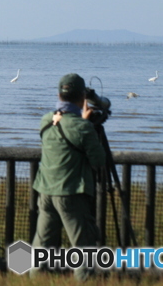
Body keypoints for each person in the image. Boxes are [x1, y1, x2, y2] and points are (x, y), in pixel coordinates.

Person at [31, 73, 106, 280]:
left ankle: (35, 281)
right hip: (71, 193)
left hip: (45, 191)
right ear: (83, 97)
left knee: (42, 246)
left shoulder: (46, 120)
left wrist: (83, 122)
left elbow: (64, 133)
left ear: (59, 95)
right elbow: (99, 160)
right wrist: (89, 125)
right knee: (84, 248)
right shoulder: (83, 127)